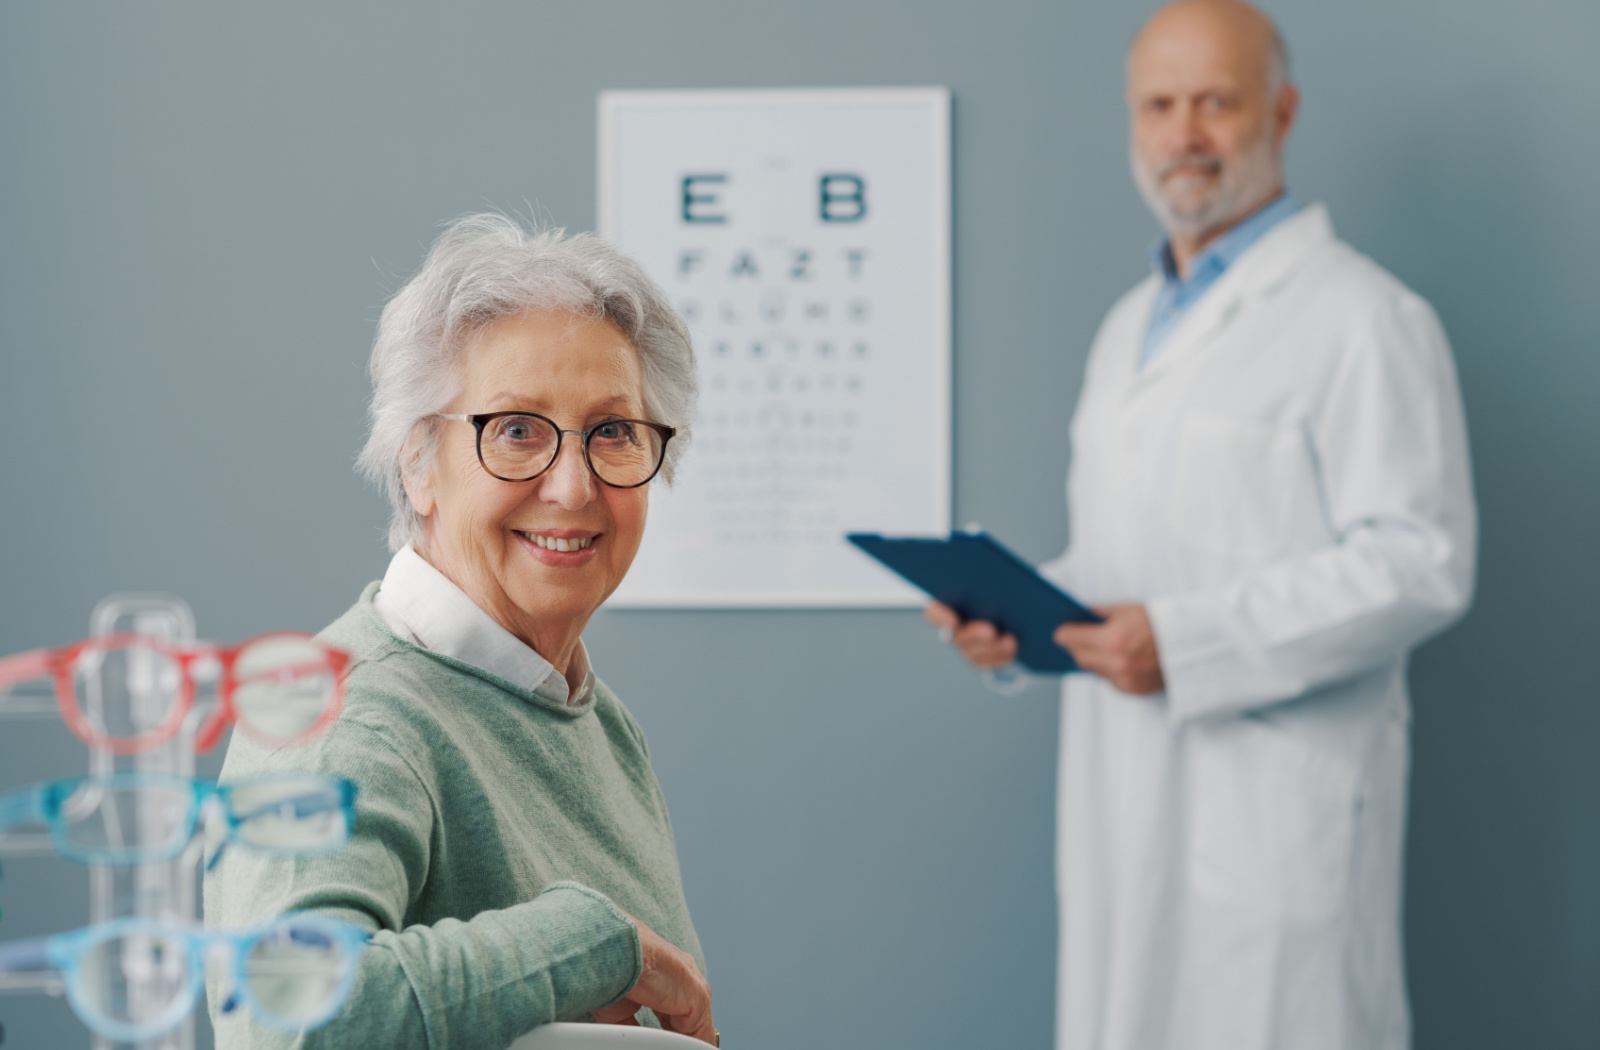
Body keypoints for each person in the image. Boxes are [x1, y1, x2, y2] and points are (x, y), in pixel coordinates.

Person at [926, 2, 1476, 1047]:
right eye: (1159, 105)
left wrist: (1185, 641)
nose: (1184, 134)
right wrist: (1015, 617)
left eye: (1215, 102)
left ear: (1282, 109)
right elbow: (1126, 557)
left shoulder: (1364, 319)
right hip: (1123, 802)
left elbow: (1421, 561)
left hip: (1274, 820)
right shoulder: (1127, 330)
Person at [206, 214, 717, 1048]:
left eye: (613, 432)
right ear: (417, 464)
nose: (573, 484)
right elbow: (287, 1025)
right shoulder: (341, 711)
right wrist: (589, 942)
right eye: (516, 429)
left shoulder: (593, 715)